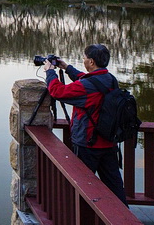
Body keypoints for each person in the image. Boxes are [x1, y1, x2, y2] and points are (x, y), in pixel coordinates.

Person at [44, 44, 127, 204]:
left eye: (84, 58)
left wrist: (50, 72)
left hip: (88, 144)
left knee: (81, 186)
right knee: (115, 186)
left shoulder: (88, 85)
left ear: (91, 62)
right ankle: (124, 214)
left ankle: (80, 214)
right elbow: (87, 80)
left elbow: (58, 92)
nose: (83, 60)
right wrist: (67, 68)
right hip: (109, 141)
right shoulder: (110, 79)